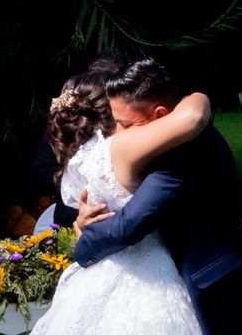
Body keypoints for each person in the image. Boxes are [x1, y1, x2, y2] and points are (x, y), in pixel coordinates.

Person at [73, 58, 242, 335]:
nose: (119, 134)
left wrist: (82, 246)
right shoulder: (181, 139)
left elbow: (129, 225)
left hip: (211, 284)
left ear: (159, 114)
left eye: (127, 124)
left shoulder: (182, 155)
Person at [30, 68, 211, 334]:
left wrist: (82, 225)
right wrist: (196, 95)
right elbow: (193, 117)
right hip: (152, 278)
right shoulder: (124, 145)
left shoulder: (80, 160)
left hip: (99, 272)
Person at [29, 51, 130, 228]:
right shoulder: (67, 121)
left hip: (121, 220)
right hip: (71, 217)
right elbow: (42, 167)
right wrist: (80, 186)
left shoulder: (126, 124)